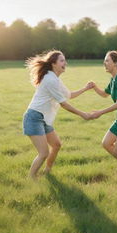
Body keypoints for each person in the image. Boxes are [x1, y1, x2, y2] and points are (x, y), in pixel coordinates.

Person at [23, 50, 92, 179]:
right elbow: (64, 104)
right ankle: (31, 178)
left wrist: (85, 88)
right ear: (53, 63)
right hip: (34, 118)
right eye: (61, 60)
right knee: (43, 153)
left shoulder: (55, 79)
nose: (65, 63)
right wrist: (83, 114)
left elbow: (69, 95)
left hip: (44, 119)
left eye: (65, 60)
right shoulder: (50, 79)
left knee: (56, 145)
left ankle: (47, 172)